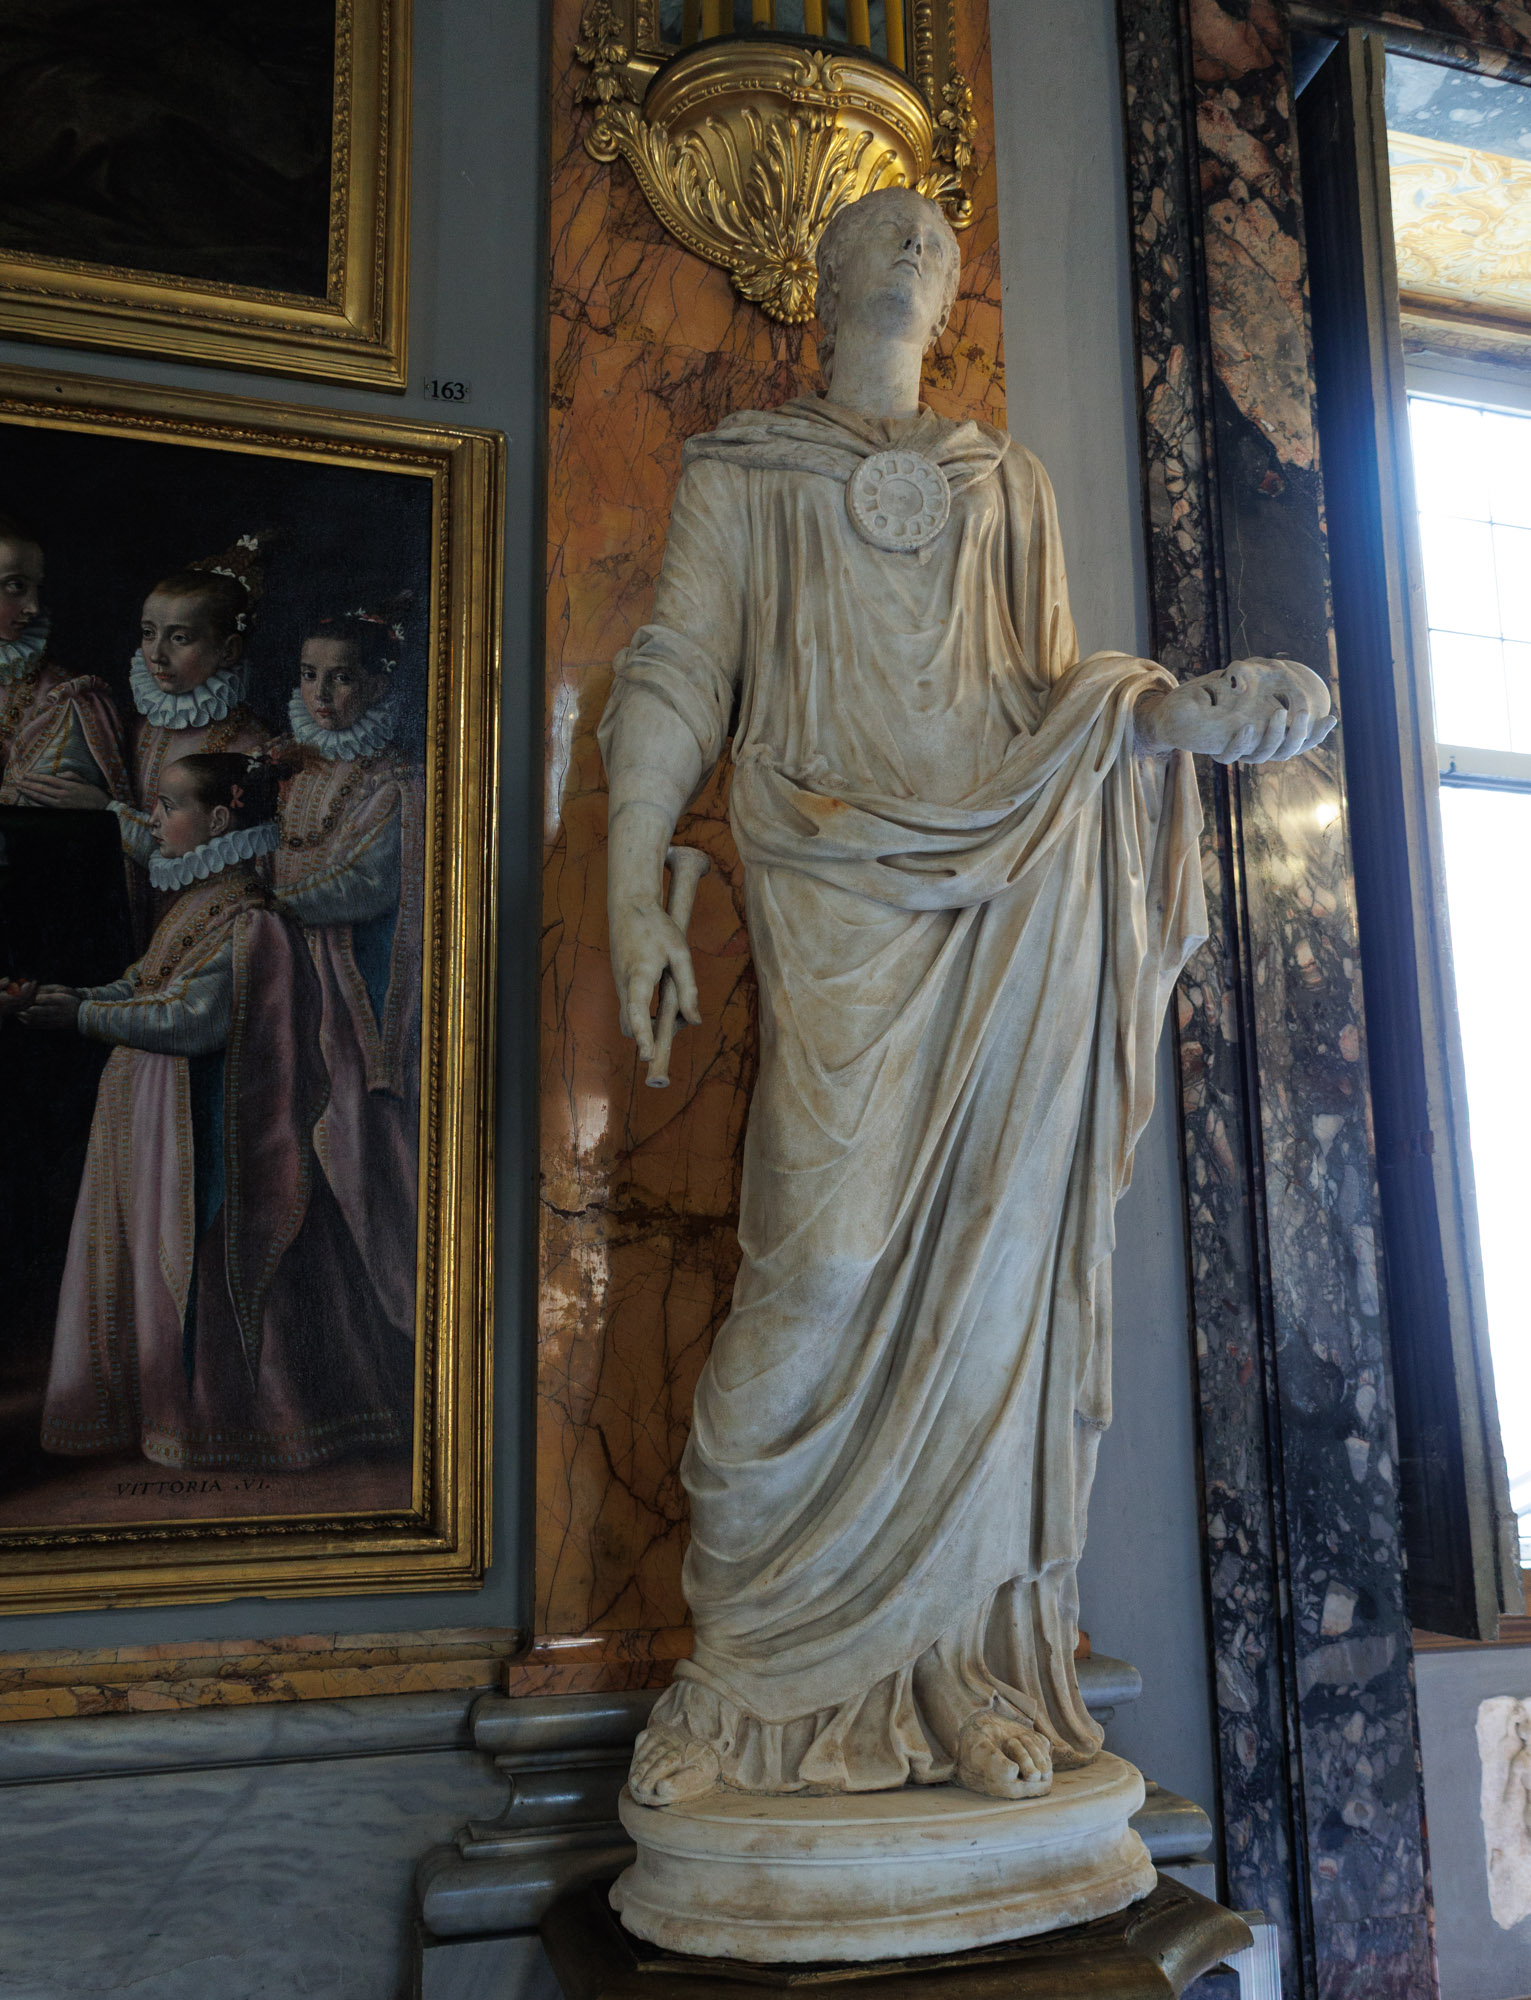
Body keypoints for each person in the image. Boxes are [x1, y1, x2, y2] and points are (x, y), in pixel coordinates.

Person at [599, 188, 1335, 1809]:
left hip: (1005, 903)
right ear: (820, 276)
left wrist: (1173, 719)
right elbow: (679, 666)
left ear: (951, 299)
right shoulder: (743, 469)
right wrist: (631, 878)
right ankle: (737, 1675)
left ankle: (951, 1665)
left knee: (987, 1285)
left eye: (936, 235)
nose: (916, 247)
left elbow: (1045, 703)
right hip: (832, 882)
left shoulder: (1005, 483)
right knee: (820, 1258)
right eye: (882, 230)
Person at [23, 751, 412, 1471]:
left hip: (218, 1147)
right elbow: (146, 981)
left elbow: (191, 1020)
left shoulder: (253, 922)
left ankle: (236, 1425)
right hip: (163, 1131)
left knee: (214, 1270)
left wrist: (80, 1018)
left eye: (169, 806)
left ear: (221, 820)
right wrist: (74, 997)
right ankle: (174, 1413)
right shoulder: (199, 903)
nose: (153, 819)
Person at [272, 600, 422, 1338]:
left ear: (377, 685)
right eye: (309, 676)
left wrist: (272, 901)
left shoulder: (395, 783)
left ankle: (395, 1316)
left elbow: (367, 884)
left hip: (347, 998)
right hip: (285, 977)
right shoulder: (294, 773)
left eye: (341, 678)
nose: (321, 695)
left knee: (353, 1145)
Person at [0, 510, 128, 809]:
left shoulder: (68, 699)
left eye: (37, 588)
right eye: (16, 585)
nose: (33, 607)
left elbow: (38, 816)